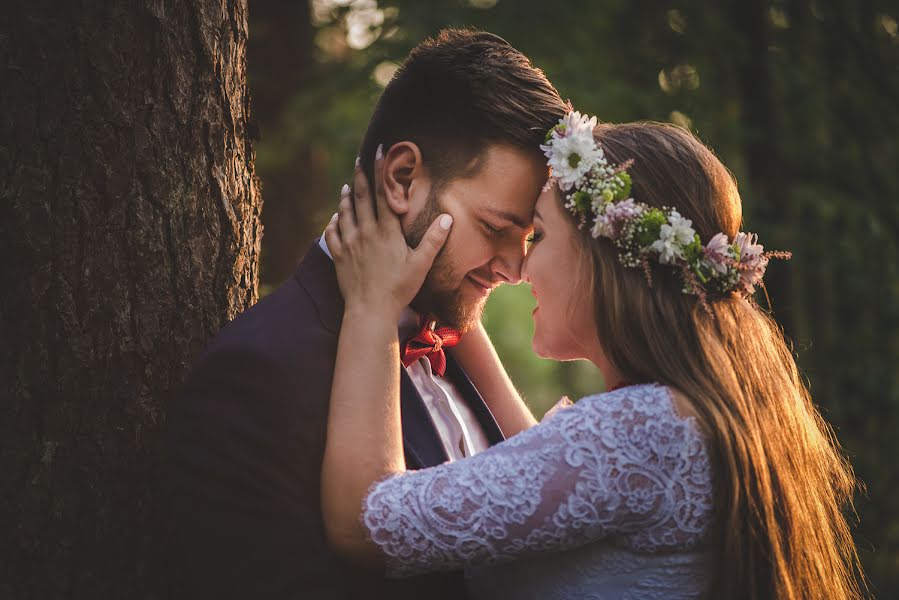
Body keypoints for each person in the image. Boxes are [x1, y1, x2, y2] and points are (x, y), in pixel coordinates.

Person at [321, 115, 865, 599]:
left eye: (540, 235)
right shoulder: (683, 416)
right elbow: (529, 465)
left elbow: (364, 525)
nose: (520, 269)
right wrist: (454, 289)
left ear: (600, 257)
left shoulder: (641, 432)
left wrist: (372, 307)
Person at [167, 29, 567, 599]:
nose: (513, 269)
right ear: (402, 178)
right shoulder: (260, 374)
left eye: (526, 240)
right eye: (495, 230)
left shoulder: (453, 333)